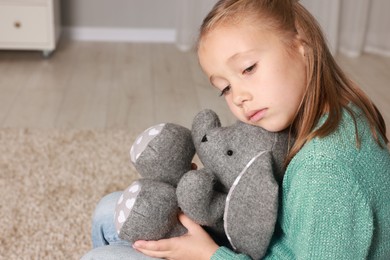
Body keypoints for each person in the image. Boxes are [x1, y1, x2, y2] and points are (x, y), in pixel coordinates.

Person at [82, 0, 390, 259]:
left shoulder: (325, 171)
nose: (239, 96)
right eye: (225, 88)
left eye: (248, 69)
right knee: (110, 210)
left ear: (302, 46)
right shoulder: (330, 112)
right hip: (262, 240)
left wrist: (209, 254)